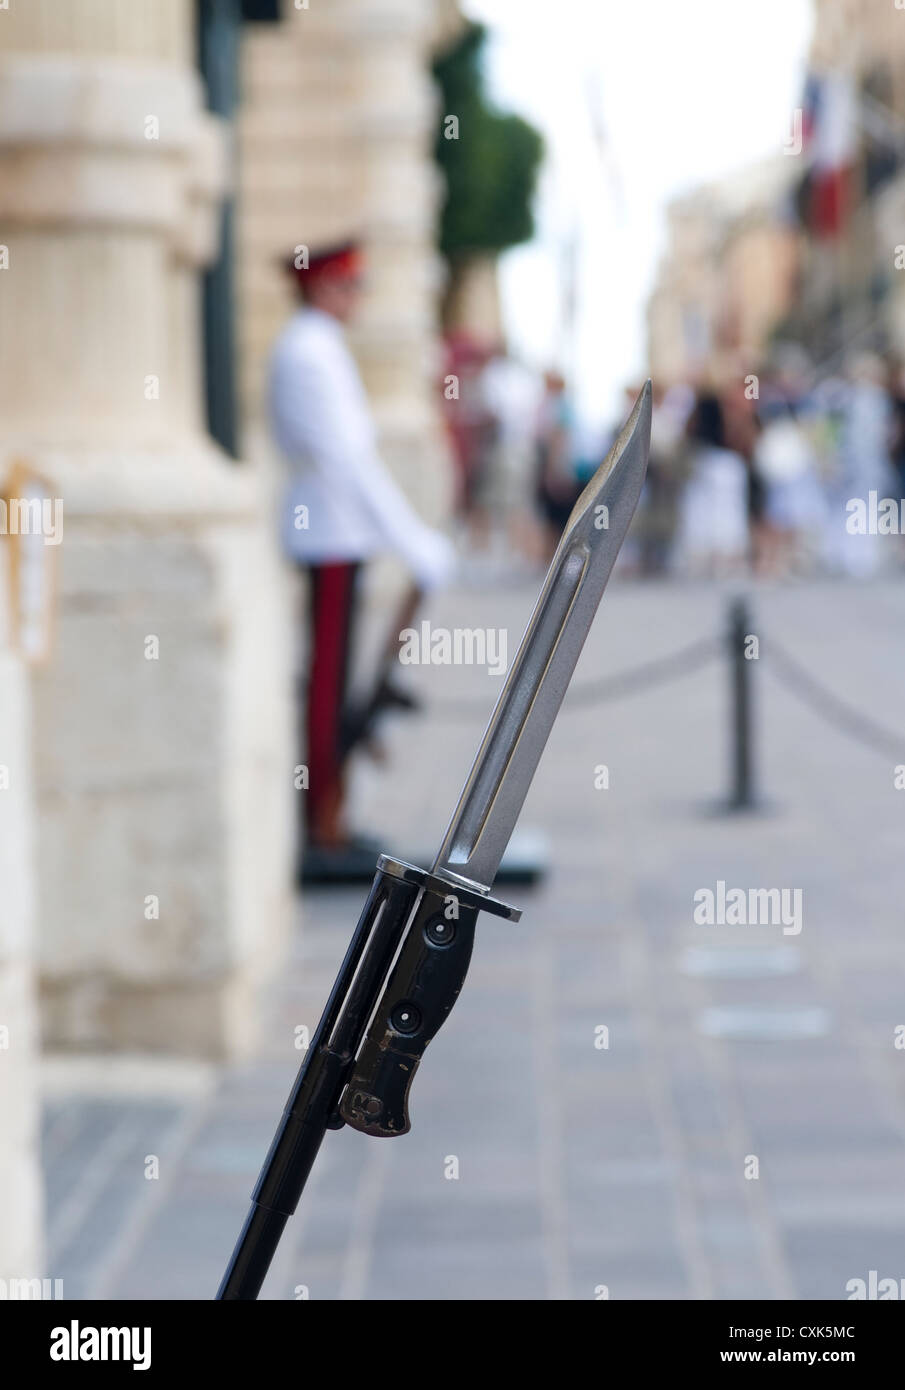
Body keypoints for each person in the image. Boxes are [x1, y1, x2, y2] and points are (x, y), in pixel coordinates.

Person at [269, 240, 454, 881]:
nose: (358, 299)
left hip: (335, 532)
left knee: (336, 684)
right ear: (322, 289)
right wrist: (411, 540)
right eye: (349, 287)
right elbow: (348, 462)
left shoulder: (318, 347)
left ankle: (332, 815)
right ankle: (322, 820)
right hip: (327, 532)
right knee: (326, 692)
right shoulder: (310, 351)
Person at [673, 392, 749, 576]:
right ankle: (721, 558)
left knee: (703, 512)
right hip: (720, 461)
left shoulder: (702, 462)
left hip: (708, 462)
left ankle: (713, 557)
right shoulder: (731, 464)